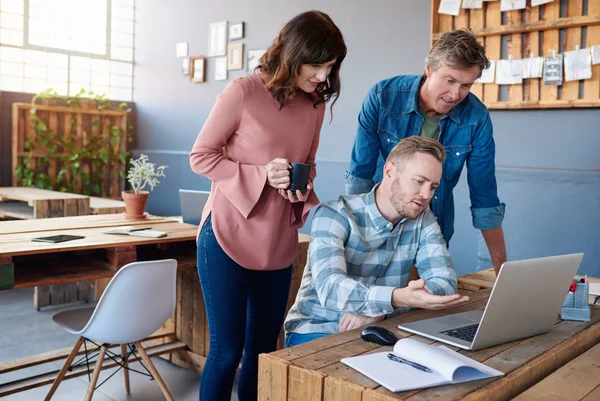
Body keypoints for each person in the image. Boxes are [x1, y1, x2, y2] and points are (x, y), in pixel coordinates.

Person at [189, 10, 346, 401]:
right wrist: (262, 174)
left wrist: (300, 187)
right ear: (293, 53)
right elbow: (201, 157)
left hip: (278, 242)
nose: (324, 77)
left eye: (330, 67)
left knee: (263, 353)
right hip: (226, 236)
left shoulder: (315, 105)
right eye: (317, 65)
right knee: (226, 352)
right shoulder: (243, 91)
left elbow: (306, 168)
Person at [346, 29, 507, 275]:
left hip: (432, 231)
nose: (455, 95)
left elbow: (484, 197)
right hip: (376, 227)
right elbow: (360, 175)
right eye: (450, 80)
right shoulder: (383, 97)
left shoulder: (477, 118)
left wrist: (501, 271)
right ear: (429, 69)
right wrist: (354, 238)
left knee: (424, 306)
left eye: (466, 85)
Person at [284, 136, 470, 347]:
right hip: (318, 330)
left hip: (380, 328)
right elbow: (330, 287)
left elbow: (445, 285)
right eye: (419, 181)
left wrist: (380, 311)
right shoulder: (334, 214)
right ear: (389, 171)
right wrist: (394, 299)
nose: (426, 195)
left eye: (433, 186)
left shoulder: (423, 219)